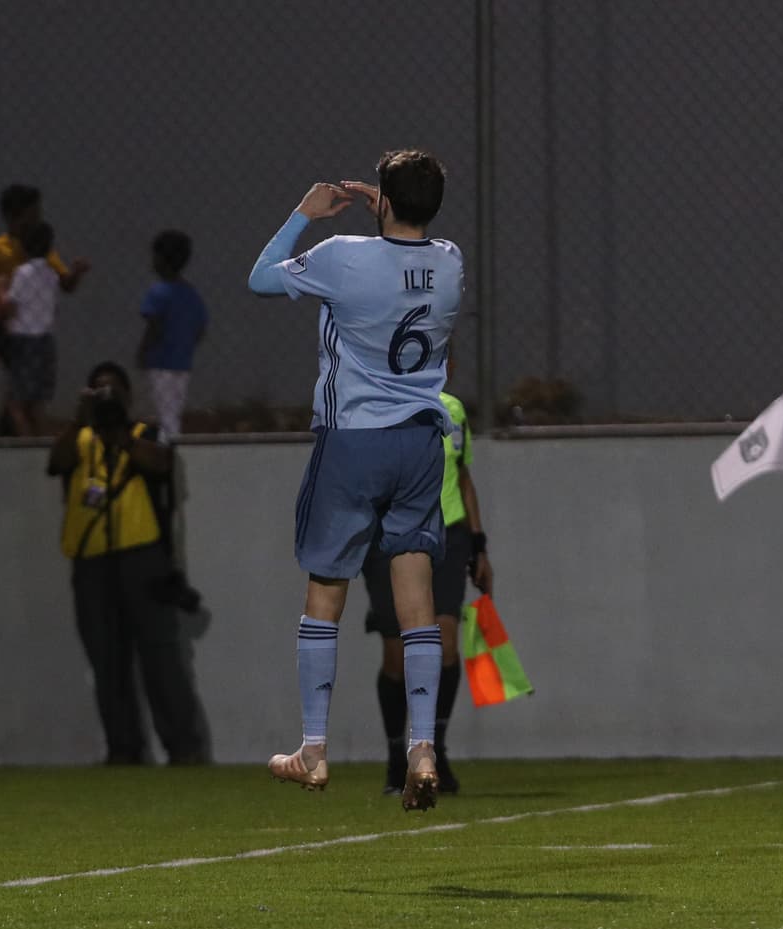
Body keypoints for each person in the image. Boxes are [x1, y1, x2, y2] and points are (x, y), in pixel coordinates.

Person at [247, 150, 463, 811]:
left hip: (353, 441)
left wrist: (303, 214)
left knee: (326, 590)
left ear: (385, 202)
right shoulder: (452, 262)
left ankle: (314, 745)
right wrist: (391, 207)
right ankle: (422, 744)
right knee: (417, 599)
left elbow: (259, 278)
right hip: (420, 443)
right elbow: (406, 254)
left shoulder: (342, 255)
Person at [47, 361, 207, 766]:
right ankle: (123, 749)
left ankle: (183, 748)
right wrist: (81, 419)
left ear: (128, 396)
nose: (106, 398)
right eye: (98, 391)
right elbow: (56, 463)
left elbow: (161, 463)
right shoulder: (79, 439)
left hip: (142, 560)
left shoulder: (142, 434)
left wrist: (120, 433)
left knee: (161, 660)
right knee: (107, 659)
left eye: (113, 391)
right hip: (91, 564)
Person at [362, 357, 493, 796]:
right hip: (393, 537)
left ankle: (434, 746)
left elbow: (463, 477)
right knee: (398, 654)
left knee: (447, 643)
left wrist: (479, 545)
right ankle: (397, 751)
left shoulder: (453, 411)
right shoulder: (379, 407)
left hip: (448, 535)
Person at [0, 183, 90, 435]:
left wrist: (76, 274)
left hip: (26, 331)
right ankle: (19, 435)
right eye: (33, 213)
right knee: (22, 391)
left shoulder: (41, 250)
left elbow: (65, 282)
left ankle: (14, 435)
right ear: (12, 216)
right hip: (7, 327)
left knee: (20, 392)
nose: (38, 218)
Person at [137, 230, 207, 437]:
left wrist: (143, 351)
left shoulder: (158, 292)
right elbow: (200, 326)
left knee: (162, 414)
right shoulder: (190, 293)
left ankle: (167, 449)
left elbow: (154, 326)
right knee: (172, 411)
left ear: (161, 259)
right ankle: (169, 443)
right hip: (182, 362)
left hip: (160, 362)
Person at [0, 222, 62, 435]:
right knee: (37, 404)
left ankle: (25, 444)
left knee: (15, 403)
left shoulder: (22, 273)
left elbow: (10, 307)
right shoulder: (52, 274)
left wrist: (0, 290)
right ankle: (41, 445)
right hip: (45, 340)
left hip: (24, 341)